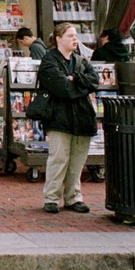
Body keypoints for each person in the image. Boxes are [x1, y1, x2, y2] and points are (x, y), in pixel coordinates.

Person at [38, 23, 100, 214]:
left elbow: (95, 81)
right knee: (58, 158)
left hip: (82, 117)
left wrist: (75, 78)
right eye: (70, 36)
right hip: (59, 117)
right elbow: (62, 88)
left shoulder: (80, 60)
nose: (75, 39)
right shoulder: (49, 61)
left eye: (75, 35)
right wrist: (82, 85)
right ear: (59, 38)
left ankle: (74, 197)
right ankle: (52, 198)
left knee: (77, 160)